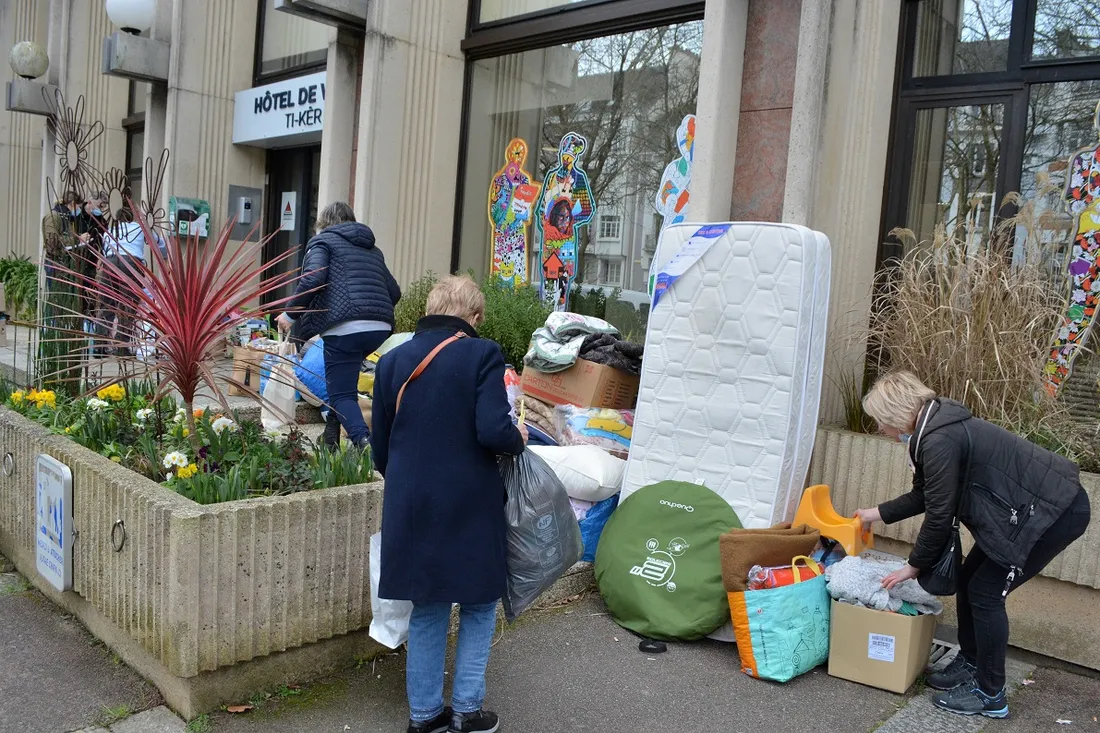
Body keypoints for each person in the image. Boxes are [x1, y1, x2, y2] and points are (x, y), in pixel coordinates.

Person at [854, 371, 1090, 719]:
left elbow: (938, 514)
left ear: (894, 414)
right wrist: (875, 514)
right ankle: (971, 663)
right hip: (1030, 513)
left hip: (1052, 515)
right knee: (969, 581)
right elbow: (929, 493)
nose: (881, 431)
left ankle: (990, 693)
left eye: (880, 423)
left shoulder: (937, 440)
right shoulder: (935, 425)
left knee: (985, 593)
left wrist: (913, 565)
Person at [370, 275, 528, 733]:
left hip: (412, 503)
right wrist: (516, 437)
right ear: (474, 316)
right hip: (468, 501)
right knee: (478, 604)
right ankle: (466, 711)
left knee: (429, 605)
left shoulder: (392, 361)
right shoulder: (483, 353)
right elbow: (492, 431)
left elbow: (381, 448)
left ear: (432, 308)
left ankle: (424, 717)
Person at [277, 202, 401, 450]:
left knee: (342, 395)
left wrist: (289, 315)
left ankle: (365, 443)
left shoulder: (323, 242)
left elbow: (313, 277)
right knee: (341, 381)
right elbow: (394, 292)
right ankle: (330, 437)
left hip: (345, 328)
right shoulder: (372, 250)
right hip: (379, 328)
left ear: (323, 224)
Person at [98, 207, 167, 351]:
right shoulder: (139, 228)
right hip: (130, 265)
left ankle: (100, 346)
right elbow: (158, 243)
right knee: (128, 305)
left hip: (109, 263)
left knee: (107, 305)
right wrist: (164, 255)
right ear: (132, 218)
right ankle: (122, 346)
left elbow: (104, 252)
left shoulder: (110, 231)